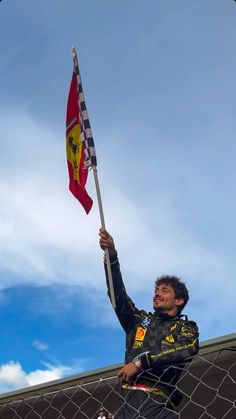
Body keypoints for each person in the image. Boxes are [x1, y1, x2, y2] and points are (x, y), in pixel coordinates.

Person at [99, 228, 199, 419]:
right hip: (125, 401)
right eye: (156, 289)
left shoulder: (186, 327)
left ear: (179, 301)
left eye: (164, 290)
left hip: (157, 402)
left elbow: (188, 347)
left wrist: (140, 363)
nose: (157, 293)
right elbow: (117, 295)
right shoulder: (139, 320)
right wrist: (111, 256)